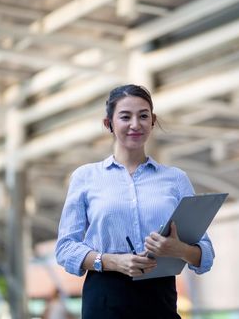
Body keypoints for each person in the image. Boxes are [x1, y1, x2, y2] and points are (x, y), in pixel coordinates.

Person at [55, 84, 215, 318]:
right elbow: (66, 248)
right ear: (108, 123)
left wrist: (178, 249)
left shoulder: (175, 179)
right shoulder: (86, 177)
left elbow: (206, 253)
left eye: (143, 116)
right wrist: (112, 261)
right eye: (125, 116)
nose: (135, 124)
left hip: (160, 299)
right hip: (105, 298)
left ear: (153, 120)